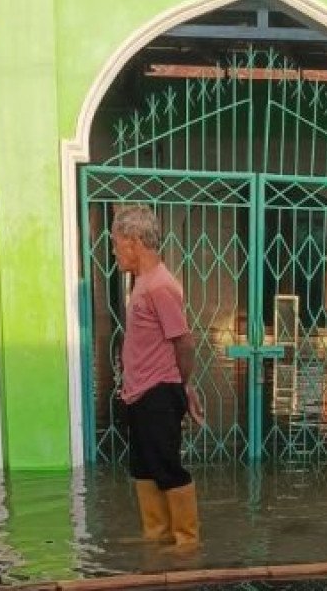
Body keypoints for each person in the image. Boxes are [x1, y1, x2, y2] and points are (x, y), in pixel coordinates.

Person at [111, 205, 204, 547]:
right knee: (143, 468)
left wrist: (184, 386)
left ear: (134, 242)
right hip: (140, 393)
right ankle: (157, 537)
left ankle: (186, 543)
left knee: (166, 468)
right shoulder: (143, 283)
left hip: (158, 393)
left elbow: (184, 341)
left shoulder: (160, 286)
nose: (114, 250)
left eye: (116, 242)